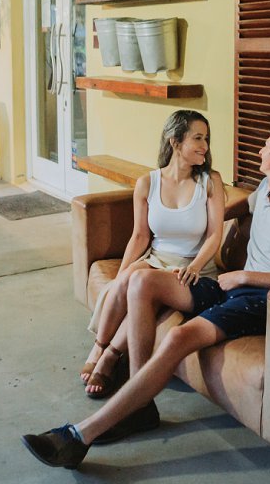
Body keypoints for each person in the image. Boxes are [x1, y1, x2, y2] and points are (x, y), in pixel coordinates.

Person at [23, 124, 270, 469]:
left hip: (261, 301)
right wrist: (205, 217)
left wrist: (245, 275)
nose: (259, 150)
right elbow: (241, 207)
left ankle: (80, 435)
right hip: (228, 287)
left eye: (265, 146)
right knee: (143, 282)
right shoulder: (266, 189)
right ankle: (139, 404)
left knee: (178, 337)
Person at [80, 109, 226, 398]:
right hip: (156, 259)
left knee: (140, 284)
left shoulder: (210, 181)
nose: (205, 146)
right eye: (198, 138)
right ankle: (99, 347)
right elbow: (140, 236)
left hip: (192, 268)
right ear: (175, 141)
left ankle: (109, 357)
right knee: (125, 280)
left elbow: (214, 235)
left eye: (206, 139)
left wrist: (195, 266)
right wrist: (122, 272)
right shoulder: (148, 183)